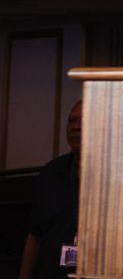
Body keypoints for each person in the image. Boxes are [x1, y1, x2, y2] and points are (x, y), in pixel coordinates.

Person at [19, 100, 82, 279]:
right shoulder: (51, 172)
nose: (76, 127)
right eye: (71, 120)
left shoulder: (116, 178)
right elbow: (35, 235)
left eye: (84, 122)